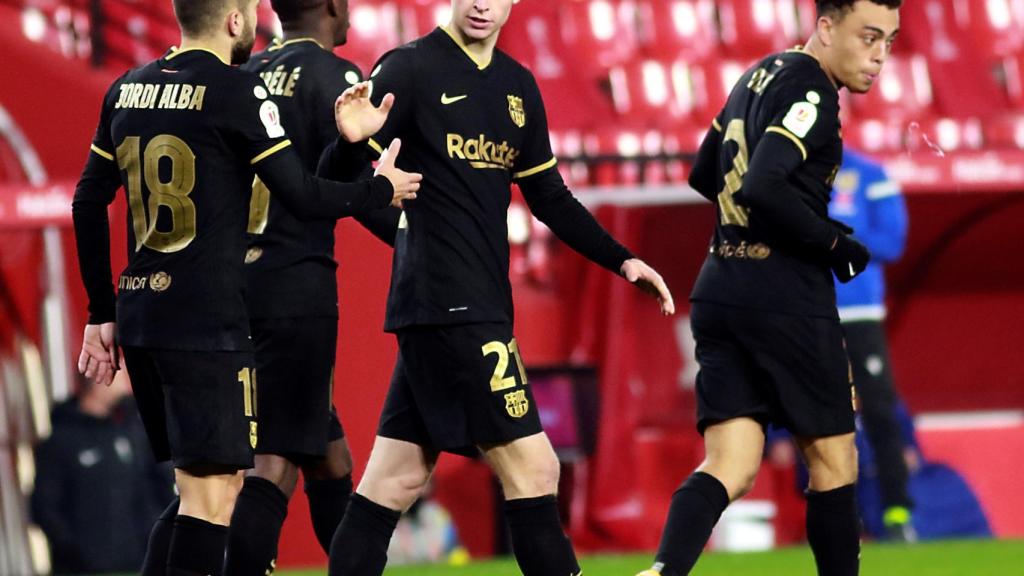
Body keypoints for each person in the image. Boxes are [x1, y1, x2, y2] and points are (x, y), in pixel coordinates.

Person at [70, 0, 421, 573]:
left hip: (144, 314)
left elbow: (87, 199)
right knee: (222, 492)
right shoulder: (240, 90)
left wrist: (99, 310)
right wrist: (380, 192)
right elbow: (304, 197)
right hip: (215, 315)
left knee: (212, 486)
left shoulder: (128, 87)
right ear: (235, 20)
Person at [325, 1, 675, 575]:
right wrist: (349, 148)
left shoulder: (517, 87)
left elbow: (549, 196)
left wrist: (622, 259)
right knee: (535, 470)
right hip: (452, 306)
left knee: (395, 479)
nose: (483, 3)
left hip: (461, 305)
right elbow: (333, 173)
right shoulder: (408, 69)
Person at [637, 1, 901, 575]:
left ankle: (662, 571)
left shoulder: (757, 75)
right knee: (834, 460)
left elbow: (704, 172)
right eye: (869, 36)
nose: (879, 55)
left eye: (890, 41)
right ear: (826, 27)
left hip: (719, 286)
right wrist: (834, 245)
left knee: (729, 466)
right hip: (784, 295)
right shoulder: (812, 90)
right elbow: (763, 185)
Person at [223, 0, 402, 573]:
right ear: (332, 6)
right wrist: (426, 243)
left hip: (234, 282)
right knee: (273, 460)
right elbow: (367, 183)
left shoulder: (240, 73)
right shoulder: (336, 79)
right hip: (294, 286)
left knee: (327, 453)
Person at [829, 148, 913, 541]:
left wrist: (833, 236)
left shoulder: (869, 174)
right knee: (820, 419)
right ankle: (839, 520)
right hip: (811, 314)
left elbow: (892, 242)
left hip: (860, 312)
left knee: (879, 410)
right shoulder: (790, 171)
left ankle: (897, 513)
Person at [31, 371, 174, 575]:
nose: (127, 386)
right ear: (100, 379)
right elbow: (45, 507)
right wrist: (79, 553)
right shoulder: (60, 442)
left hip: (138, 565)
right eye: (121, 377)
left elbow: (162, 487)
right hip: (81, 569)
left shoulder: (135, 433)